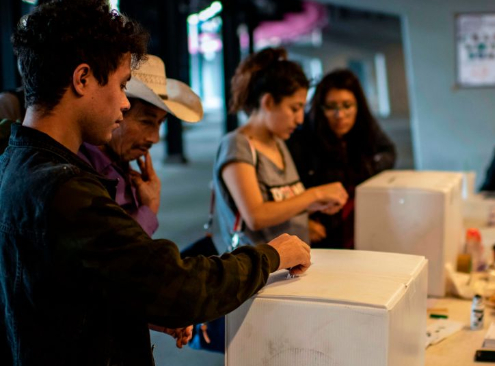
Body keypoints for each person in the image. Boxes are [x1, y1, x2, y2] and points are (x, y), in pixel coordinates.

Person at [1, 1, 310, 364]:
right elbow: (181, 285)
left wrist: (135, 309)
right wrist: (271, 255)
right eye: (120, 85)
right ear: (82, 79)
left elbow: (57, 291)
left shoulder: (15, 160)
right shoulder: (66, 192)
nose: (124, 104)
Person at [213, 48, 348, 253]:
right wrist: (314, 194)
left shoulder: (278, 141)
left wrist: (312, 206)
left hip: (289, 267)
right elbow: (256, 216)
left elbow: (280, 202)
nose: (300, 119)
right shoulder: (237, 145)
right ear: (267, 102)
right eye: (294, 108)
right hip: (260, 274)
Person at [78, 54, 203, 236]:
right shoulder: (85, 176)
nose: (155, 138)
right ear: (116, 112)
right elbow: (120, 255)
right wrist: (149, 209)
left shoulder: (120, 165)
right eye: (146, 122)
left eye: (160, 123)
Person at [287, 69, 396, 249]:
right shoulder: (302, 136)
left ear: (358, 105)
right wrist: (302, 221)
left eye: (347, 105)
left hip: (360, 221)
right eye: (331, 107)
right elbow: (287, 192)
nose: (340, 115)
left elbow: (389, 152)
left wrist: (366, 168)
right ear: (320, 107)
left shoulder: (365, 126)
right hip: (321, 232)